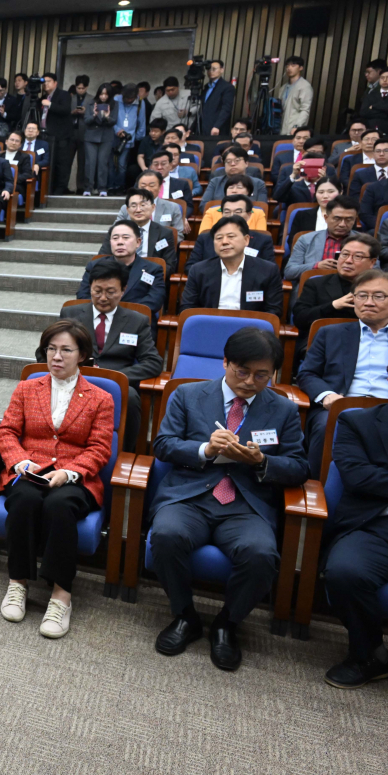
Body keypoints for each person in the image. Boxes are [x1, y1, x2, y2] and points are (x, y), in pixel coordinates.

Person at [148, 327, 307, 671]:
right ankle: (185, 615)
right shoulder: (187, 395)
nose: (250, 381)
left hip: (245, 504)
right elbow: (162, 445)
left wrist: (262, 462)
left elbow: (298, 466)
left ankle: (227, 623)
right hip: (190, 495)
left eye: (262, 374)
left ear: (273, 373)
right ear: (225, 363)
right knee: (165, 535)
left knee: (261, 554)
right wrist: (204, 449)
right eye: (242, 371)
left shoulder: (283, 410)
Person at [0, 319, 114, 637]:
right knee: (23, 500)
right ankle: (18, 582)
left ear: (82, 354)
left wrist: (70, 472)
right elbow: (6, 432)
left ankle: (61, 594)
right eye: (51, 349)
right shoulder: (27, 388)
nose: (56, 356)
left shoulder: (101, 398)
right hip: (31, 472)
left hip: (75, 477)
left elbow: (100, 449)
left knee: (61, 506)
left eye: (65, 350)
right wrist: (20, 462)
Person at [61, 259, 164, 451]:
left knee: (132, 396)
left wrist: (118, 378)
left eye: (110, 292)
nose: (102, 298)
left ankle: (126, 451)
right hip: (76, 376)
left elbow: (153, 362)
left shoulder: (137, 320)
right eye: (97, 291)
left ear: (123, 290)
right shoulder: (71, 313)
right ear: (90, 287)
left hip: (115, 382)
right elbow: (45, 352)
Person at [320, 399, 388, 688]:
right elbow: (358, 478)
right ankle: (369, 655)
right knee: (344, 572)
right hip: (374, 525)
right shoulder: (357, 422)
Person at [296, 264, 388, 477]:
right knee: (323, 425)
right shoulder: (330, 333)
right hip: (340, 405)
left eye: (378, 296)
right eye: (362, 295)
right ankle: (315, 489)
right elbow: (307, 373)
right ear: (353, 299)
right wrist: (327, 396)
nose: (368, 302)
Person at [181, 216, 283, 316]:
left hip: (251, 329)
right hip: (211, 326)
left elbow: (273, 311)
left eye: (231, 236)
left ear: (246, 240)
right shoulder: (198, 270)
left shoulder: (268, 271)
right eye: (219, 238)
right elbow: (188, 308)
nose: (224, 242)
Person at [80, 220, 166, 316]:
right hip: (100, 317)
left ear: (138, 242)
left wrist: (123, 315)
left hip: (136, 320)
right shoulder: (94, 266)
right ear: (110, 242)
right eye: (115, 238)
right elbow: (83, 296)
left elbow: (155, 300)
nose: (120, 242)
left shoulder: (153, 269)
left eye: (125, 238)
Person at [186, 195, 275, 271]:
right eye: (227, 212)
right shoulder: (205, 238)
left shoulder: (263, 240)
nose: (232, 215)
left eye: (237, 212)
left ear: (249, 215)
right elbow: (190, 267)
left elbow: (270, 269)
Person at [286, 195, 361, 281]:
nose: (342, 224)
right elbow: (289, 271)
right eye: (337, 219)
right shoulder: (306, 240)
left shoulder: (365, 243)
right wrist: (316, 266)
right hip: (313, 288)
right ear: (326, 218)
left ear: (355, 220)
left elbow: (375, 271)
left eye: (348, 219)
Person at [101, 189, 178, 267]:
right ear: (127, 209)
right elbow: (102, 258)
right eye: (133, 206)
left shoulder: (164, 233)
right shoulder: (116, 231)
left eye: (143, 205)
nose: (138, 210)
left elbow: (169, 264)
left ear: (153, 207)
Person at [117, 170, 185, 239]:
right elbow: (116, 231)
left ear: (160, 187)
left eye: (151, 185)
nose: (147, 189)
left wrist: (156, 245)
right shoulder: (126, 208)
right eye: (143, 186)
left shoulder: (173, 207)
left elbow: (178, 235)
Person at [79, 85, 116, 196]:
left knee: (103, 163)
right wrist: (95, 115)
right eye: (101, 94)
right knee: (90, 162)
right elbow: (86, 120)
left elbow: (114, 121)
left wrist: (107, 117)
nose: (103, 96)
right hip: (91, 137)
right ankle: (88, 188)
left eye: (106, 94)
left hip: (106, 137)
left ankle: (102, 188)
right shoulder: (91, 103)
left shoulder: (114, 104)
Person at [277, 56, 314, 135]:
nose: (289, 68)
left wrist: (297, 126)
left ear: (301, 68)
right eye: (288, 66)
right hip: (282, 127)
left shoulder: (304, 86)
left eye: (293, 66)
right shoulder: (283, 88)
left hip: (294, 129)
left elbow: (305, 110)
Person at [201, 60, 236, 136]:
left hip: (217, 128)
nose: (211, 71)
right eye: (209, 69)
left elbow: (226, 109)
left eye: (214, 69)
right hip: (203, 127)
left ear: (222, 70)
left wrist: (217, 126)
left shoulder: (227, 87)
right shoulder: (206, 87)